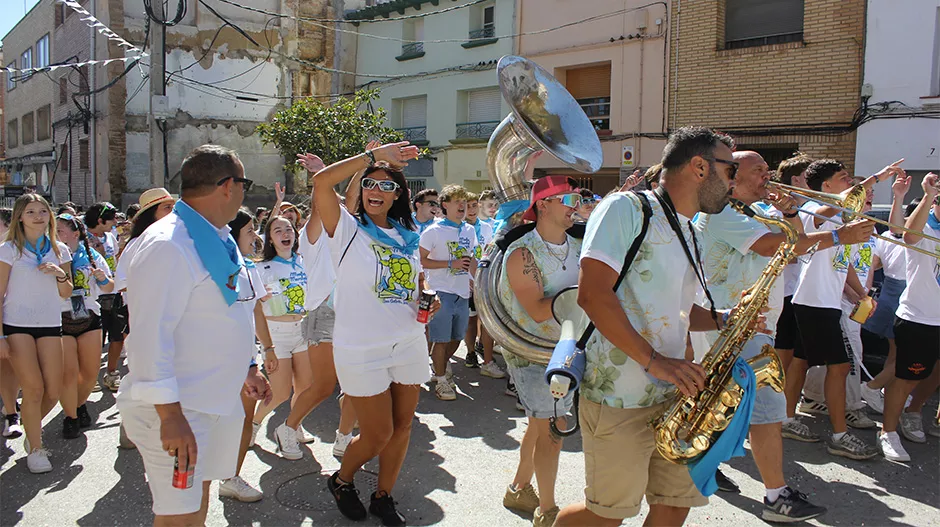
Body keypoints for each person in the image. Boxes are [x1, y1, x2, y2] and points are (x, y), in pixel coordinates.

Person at [554, 127, 740, 527]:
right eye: (732, 170)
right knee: (606, 514)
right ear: (700, 167)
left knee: (674, 504)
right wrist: (655, 361)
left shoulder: (690, 227)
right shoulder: (626, 208)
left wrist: (725, 319)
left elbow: (678, 307)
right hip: (620, 395)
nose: (733, 183)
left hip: (676, 394)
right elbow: (593, 295)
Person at [116, 145, 271, 525]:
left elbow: (227, 306)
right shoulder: (168, 244)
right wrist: (170, 416)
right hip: (178, 409)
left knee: (196, 503)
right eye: (244, 184)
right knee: (177, 516)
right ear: (228, 186)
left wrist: (248, 366)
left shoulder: (214, 234)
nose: (244, 193)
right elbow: (150, 337)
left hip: (213, 398)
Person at [695, 151, 854, 522]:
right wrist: (838, 235)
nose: (769, 175)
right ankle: (776, 497)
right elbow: (776, 247)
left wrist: (789, 213)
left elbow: (794, 247)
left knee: (722, 407)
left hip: (757, 325)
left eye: (769, 168)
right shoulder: (721, 215)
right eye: (760, 170)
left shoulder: (760, 213)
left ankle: (701, 465)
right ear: (732, 179)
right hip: (734, 327)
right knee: (766, 413)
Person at [307, 141, 438, 526]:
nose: (376, 191)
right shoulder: (346, 229)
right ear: (361, 188)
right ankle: (342, 480)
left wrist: (429, 299)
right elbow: (320, 182)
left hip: (409, 342)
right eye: (370, 183)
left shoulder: (406, 236)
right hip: (361, 347)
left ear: (399, 195)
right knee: (377, 433)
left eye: (386, 186)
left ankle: (383, 496)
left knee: (403, 426)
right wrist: (371, 158)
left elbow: (417, 285)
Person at [784, 159, 897, 460]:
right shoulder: (815, 211)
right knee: (840, 367)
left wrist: (860, 294)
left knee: (800, 361)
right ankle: (838, 435)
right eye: (843, 178)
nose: (849, 182)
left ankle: (787, 419)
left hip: (820, 301)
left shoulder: (838, 218)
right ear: (827, 187)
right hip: (815, 303)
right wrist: (876, 177)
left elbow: (840, 262)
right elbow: (837, 208)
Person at [499, 175, 582, 527]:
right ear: (543, 204)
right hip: (533, 351)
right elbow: (535, 309)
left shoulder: (580, 245)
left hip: (569, 346)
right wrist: (590, 298)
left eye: (577, 199)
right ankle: (547, 510)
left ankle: (519, 488)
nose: (575, 206)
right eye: (567, 199)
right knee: (553, 426)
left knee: (539, 423)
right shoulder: (522, 253)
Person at [282, 153, 360, 460]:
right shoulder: (311, 235)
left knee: (356, 383)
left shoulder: (348, 232)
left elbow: (351, 197)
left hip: (352, 314)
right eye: (333, 201)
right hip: (323, 315)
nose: (340, 207)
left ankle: (343, 437)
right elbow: (323, 198)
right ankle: (288, 428)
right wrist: (322, 175)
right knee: (324, 386)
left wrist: (367, 162)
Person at [0, 193, 73, 473]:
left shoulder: (59, 250)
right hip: (16, 325)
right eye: (31, 212)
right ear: (19, 216)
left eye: (43, 211)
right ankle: (37, 447)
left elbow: (66, 292)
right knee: (33, 388)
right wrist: (0, 336)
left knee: (53, 391)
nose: (38, 216)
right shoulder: (8, 250)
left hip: (50, 324)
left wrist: (59, 274)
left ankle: (31, 432)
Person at [878, 173, 940, 462]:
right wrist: (926, 194)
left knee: (934, 375)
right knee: (904, 378)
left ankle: (913, 413)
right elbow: (908, 235)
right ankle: (887, 432)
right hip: (918, 319)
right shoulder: (927, 229)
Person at [218, 208, 274, 503]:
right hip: (222, 363)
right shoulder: (218, 268)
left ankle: (231, 477)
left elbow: (256, 313)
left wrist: (268, 351)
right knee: (218, 424)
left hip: (247, 360)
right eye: (250, 230)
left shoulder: (249, 268)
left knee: (242, 421)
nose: (255, 236)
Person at [251, 215, 312, 460]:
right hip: (276, 335)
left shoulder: (305, 262)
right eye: (278, 230)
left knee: (306, 388)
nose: (285, 233)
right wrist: (260, 296)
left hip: (304, 330)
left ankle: (292, 426)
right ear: (270, 239)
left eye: (289, 229)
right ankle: (253, 425)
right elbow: (251, 307)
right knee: (279, 393)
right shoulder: (260, 267)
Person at [55, 213, 114, 439]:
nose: (56, 235)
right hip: (60, 318)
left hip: (89, 317)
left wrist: (100, 278)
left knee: (89, 374)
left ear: (75, 233)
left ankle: (79, 404)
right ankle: (70, 417)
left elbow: (109, 287)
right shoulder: (50, 255)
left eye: (60, 231)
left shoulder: (91, 256)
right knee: (68, 374)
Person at [860, 174, 913, 413]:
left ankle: (885, 389)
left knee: (897, 351)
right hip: (899, 297)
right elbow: (896, 231)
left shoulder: (886, 238)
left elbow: (876, 264)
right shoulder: (901, 237)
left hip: (895, 295)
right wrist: (898, 196)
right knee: (903, 353)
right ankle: (872, 387)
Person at [420, 185, 479, 401]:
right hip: (440, 292)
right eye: (457, 202)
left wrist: (476, 280)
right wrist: (449, 263)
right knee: (441, 340)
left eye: (464, 202)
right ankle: (441, 380)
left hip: (462, 292)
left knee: (456, 339)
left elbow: (470, 259)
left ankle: (440, 370)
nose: (462, 206)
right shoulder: (433, 231)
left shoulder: (469, 230)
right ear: (445, 205)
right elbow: (421, 260)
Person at [84, 201, 124, 392]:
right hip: (94, 296)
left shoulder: (110, 237)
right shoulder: (82, 237)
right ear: (100, 220)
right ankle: (89, 377)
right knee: (96, 339)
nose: (115, 222)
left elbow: (115, 260)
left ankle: (111, 373)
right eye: (112, 219)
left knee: (117, 336)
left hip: (113, 292)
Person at [462, 192, 501, 377]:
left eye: (474, 205)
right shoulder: (458, 229)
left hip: (483, 279)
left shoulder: (487, 227)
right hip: (465, 282)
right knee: (470, 320)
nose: (471, 210)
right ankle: (470, 352)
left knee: (486, 321)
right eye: (467, 206)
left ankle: (488, 360)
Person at [0, 207, 22, 439]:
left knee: (8, 366)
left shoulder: (16, 251)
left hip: (12, 315)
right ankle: (10, 411)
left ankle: (11, 410)